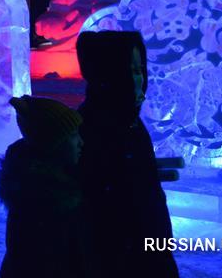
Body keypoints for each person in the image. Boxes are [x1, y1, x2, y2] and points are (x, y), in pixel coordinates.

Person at [76, 31, 178, 277]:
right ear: (108, 76)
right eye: (130, 71)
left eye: (140, 69)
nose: (139, 80)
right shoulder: (91, 129)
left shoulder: (130, 122)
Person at [0, 96, 87, 277]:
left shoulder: (28, 187)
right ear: (53, 145)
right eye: (73, 136)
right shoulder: (43, 202)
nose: (81, 142)